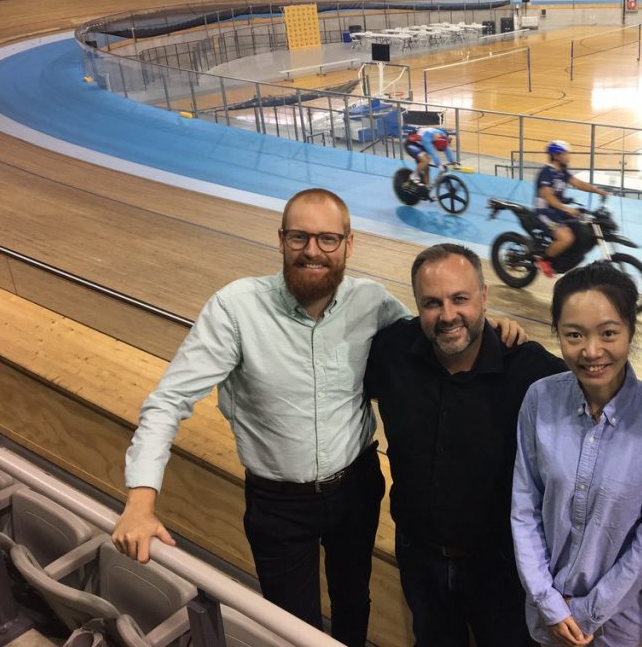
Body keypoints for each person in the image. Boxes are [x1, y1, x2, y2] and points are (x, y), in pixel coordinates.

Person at [112, 188, 523, 645]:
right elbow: (168, 401)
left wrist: (492, 325)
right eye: (300, 237)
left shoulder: (372, 303)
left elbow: (435, 331)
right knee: (291, 624)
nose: (313, 250)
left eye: (328, 239)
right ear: (281, 240)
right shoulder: (235, 308)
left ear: (349, 245)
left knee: (354, 601)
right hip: (278, 505)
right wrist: (140, 501)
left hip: (357, 490)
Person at [364, 243, 566, 647]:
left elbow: (600, 401)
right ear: (418, 305)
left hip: (503, 569)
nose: (448, 315)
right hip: (419, 558)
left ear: (485, 298)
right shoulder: (391, 352)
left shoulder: (529, 369)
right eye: (432, 303)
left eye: (461, 299)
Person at [512, 261, 642, 646]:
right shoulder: (539, 399)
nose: (591, 351)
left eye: (608, 332)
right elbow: (524, 508)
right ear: (557, 332)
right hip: (547, 618)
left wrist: (587, 611)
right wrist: (549, 601)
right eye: (574, 334)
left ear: (630, 331)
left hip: (620, 629)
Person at [534, 140, 608, 278]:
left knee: (582, 226)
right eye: (565, 153)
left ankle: (565, 258)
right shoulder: (545, 173)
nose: (568, 156)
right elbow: (548, 196)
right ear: (556, 156)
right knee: (566, 238)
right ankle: (543, 260)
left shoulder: (562, 172)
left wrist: (597, 190)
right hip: (544, 212)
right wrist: (566, 208)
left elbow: (578, 183)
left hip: (557, 212)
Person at [404, 124, 457, 189]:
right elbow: (433, 154)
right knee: (425, 160)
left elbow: (447, 150)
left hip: (421, 145)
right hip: (411, 144)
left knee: (427, 169)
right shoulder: (427, 139)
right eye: (435, 147)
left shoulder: (443, 136)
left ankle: (427, 189)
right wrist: (440, 166)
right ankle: (414, 176)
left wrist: (453, 162)